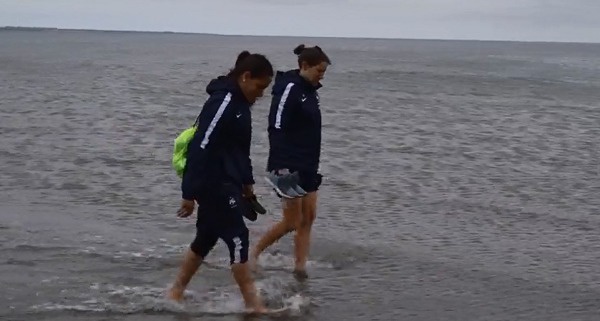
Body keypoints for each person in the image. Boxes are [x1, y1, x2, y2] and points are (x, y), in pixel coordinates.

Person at [167, 50, 274, 314]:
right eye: (260, 87)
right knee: (239, 237)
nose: (261, 94)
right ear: (245, 77)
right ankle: (253, 305)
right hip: (211, 182)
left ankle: (175, 292)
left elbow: (240, 149)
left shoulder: (240, 105)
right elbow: (201, 147)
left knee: (206, 238)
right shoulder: (224, 102)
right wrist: (189, 193)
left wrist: (247, 184)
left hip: (228, 182)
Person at [251, 44, 331, 279]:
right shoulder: (289, 89)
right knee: (292, 221)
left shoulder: (310, 90)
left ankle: (300, 268)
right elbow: (276, 125)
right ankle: (253, 253)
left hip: (308, 163)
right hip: (287, 164)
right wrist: (281, 164)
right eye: (319, 71)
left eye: (324, 72)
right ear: (304, 66)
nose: (321, 76)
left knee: (309, 218)